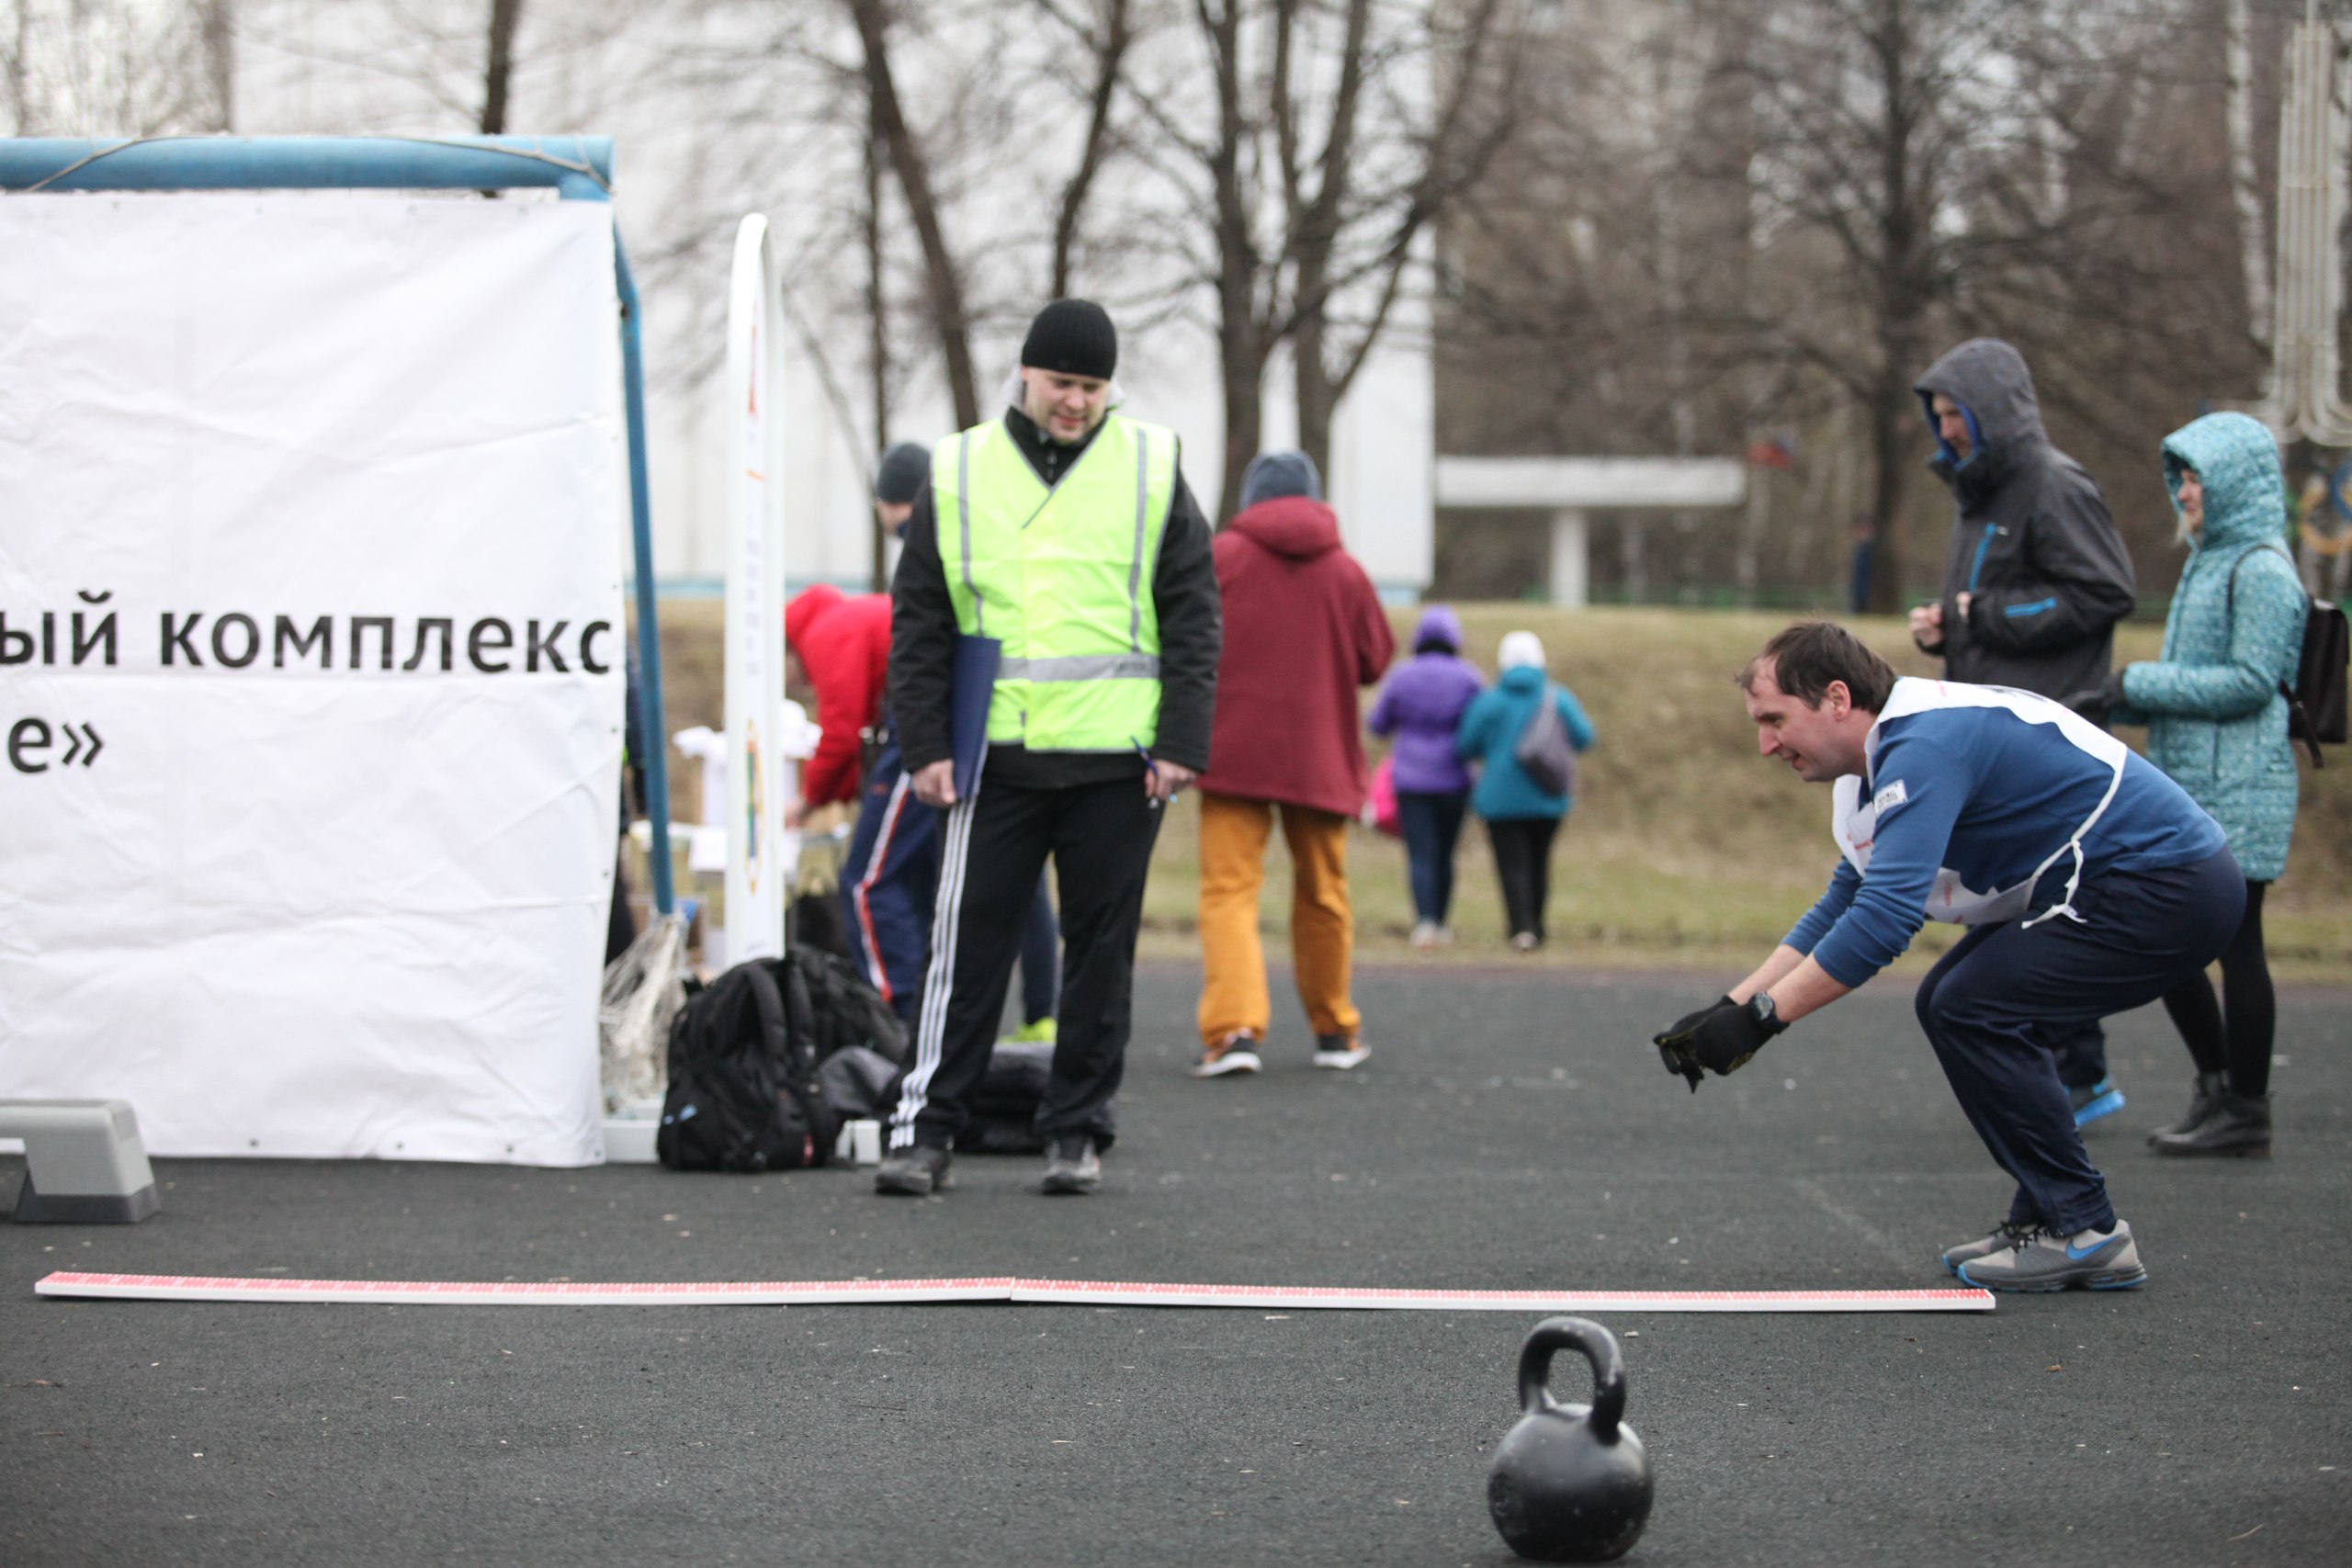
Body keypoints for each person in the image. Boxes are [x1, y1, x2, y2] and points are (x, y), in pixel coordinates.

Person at [1655, 623, 2241, 1292]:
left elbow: (1884, 921)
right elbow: (1845, 900)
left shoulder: (1921, 743)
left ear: (1838, 699)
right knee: (1952, 999)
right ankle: (2059, 1215)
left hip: (2170, 883)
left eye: (1774, 719)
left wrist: (1763, 1019)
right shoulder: (1877, 761)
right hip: (2133, 881)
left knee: (1971, 1004)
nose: (1764, 745)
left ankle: (2081, 1225)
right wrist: (1733, 1004)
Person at [877, 299, 1221, 1196]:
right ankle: (926, 1131)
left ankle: (1076, 1130)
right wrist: (924, 746)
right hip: (994, 757)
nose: (1076, 402)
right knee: (967, 947)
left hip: (1118, 759)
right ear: (1025, 374)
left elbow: (1192, 609)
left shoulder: (1151, 462)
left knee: (1099, 954)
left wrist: (1181, 738)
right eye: (1062, 383)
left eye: (1092, 386)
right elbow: (918, 624)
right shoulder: (956, 469)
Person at [1908, 337, 2139, 1128]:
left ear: (1991, 411)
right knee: (2018, 901)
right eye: (1939, 418)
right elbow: (1994, 603)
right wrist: (1948, 630)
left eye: (1956, 415)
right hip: (1995, 728)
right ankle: (2062, 1066)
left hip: (2054, 733)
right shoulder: (1978, 498)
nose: (1948, 433)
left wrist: (1984, 616)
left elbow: (2104, 590)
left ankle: (2077, 1075)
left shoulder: (2053, 484)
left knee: (2049, 903)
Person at [2077, 412, 2307, 1157]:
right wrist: (2123, 698)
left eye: (2194, 477)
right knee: (2176, 943)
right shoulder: (2211, 561)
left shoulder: (2263, 569)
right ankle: (2217, 1089)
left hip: (2241, 785)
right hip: (2196, 783)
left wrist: (2138, 680)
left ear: (2235, 481)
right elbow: (2202, 679)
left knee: (2236, 942)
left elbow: (2249, 683)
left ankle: (2245, 1104)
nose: (2182, 491)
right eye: (2176, 476)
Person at [797, 456, 1060, 1034]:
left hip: (935, 730)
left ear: (896, 502)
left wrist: (815, 795)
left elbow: (845, 725)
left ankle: (904, 1015)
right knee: (1003, 881)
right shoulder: (986, 535)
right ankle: (1039, 1011)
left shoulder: (846, 615)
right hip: (1005, 722)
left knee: (870, 879)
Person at [1189, 449, 1394, 1078]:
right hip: (1319, 756)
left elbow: (1186, 638)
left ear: (1251, 500)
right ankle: (1333, 1028)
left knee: (1229, 891)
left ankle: (1234, 1032)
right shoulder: (1348, 572)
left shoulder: (1220, 558)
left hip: (1232, 753)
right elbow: (1375, 660)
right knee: (1324, 892)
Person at [1453, 630, 1594, 950]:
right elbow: (1585, 737)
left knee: (1511, 865)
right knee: (1539, 862)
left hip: (1499, 800)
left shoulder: (1488, 701)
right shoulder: (1557, 697)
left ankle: (1521, 928)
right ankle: (1538, 927)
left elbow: (1465, 745)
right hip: (1547, 797)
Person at [1367, 605, 1485, 947]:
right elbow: (1481, 725)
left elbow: (1378, 724)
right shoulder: (1469, 677)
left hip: (1411, 780)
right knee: (1446, 854)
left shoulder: (1402, 676)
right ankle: (1443, 923)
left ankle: (1425, 923)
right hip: (1455, 778)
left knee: (1420, 853)